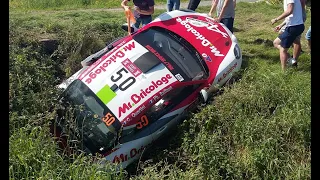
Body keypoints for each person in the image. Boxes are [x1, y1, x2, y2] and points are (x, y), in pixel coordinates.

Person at [271, 0, 304, 71]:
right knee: (276, 43)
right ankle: (291, 60)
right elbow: (292, 15)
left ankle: (284, 72)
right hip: (297, 26)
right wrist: (281, 25)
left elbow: (289, 11)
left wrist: (276, 19)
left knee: (283, 50)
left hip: (293, 27)